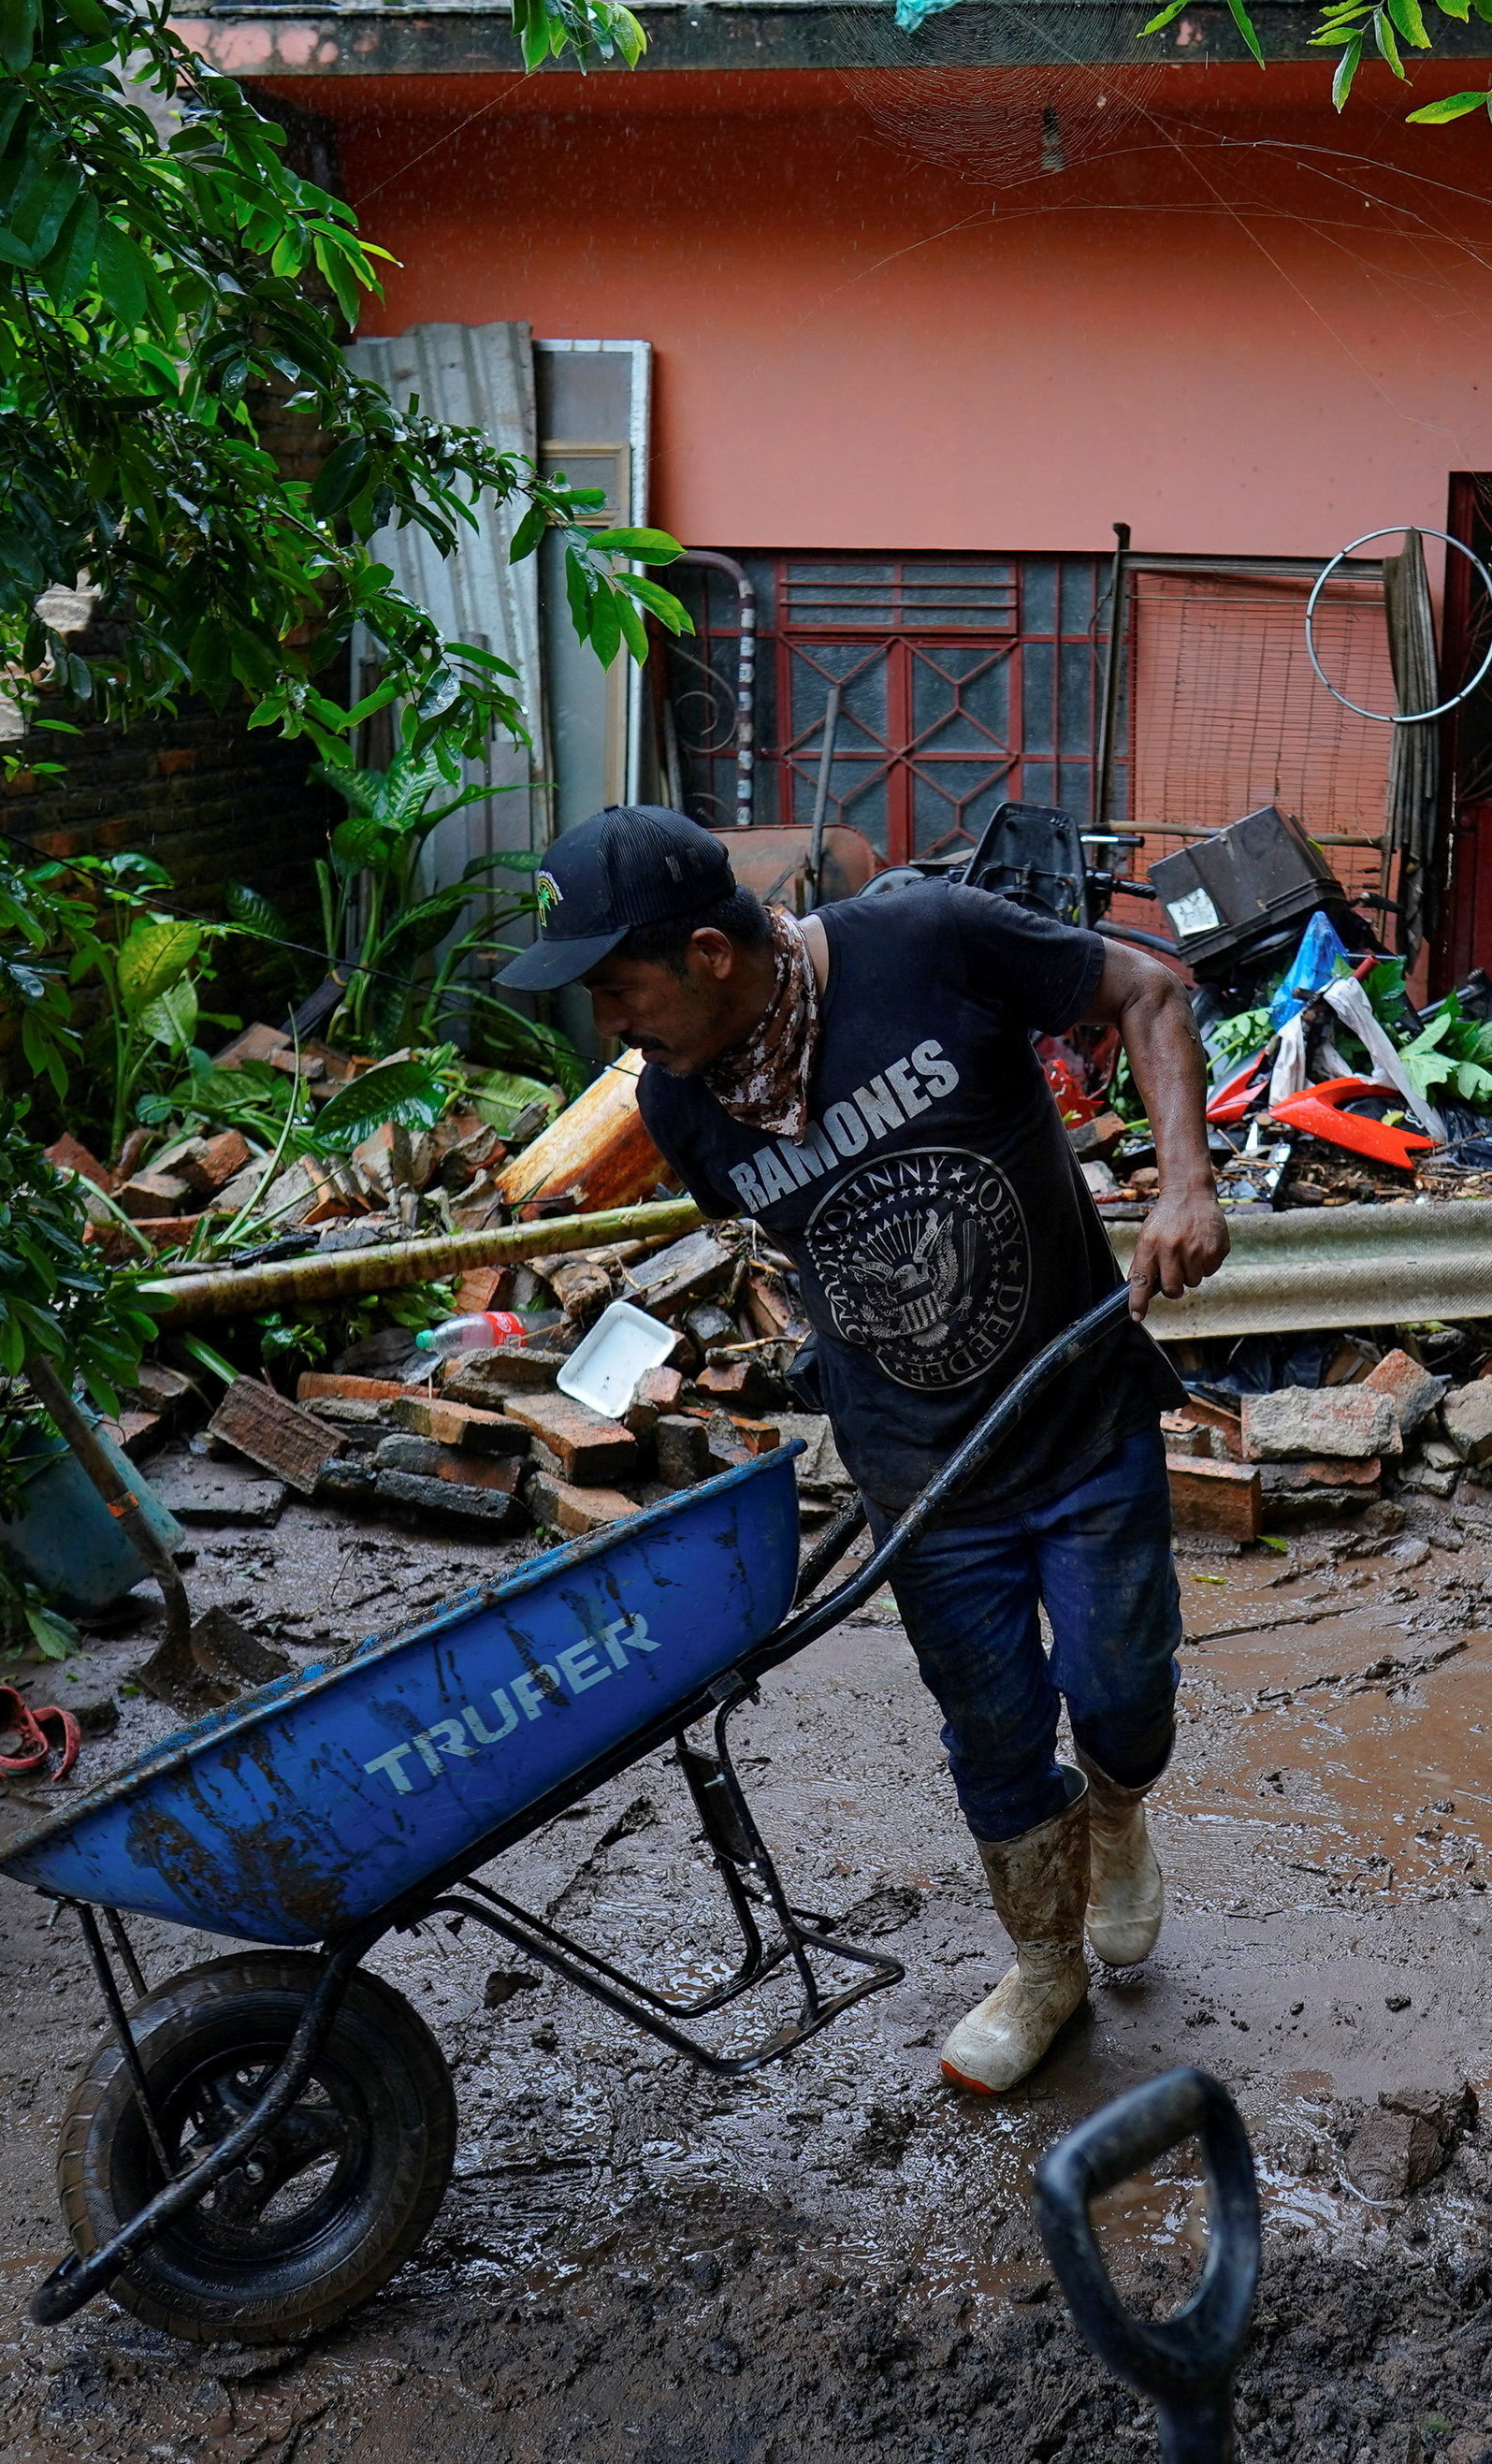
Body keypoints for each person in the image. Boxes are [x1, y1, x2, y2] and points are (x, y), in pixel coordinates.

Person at [506, 807, 1229, 2094]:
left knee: (1123, 1690)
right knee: (994, 1731)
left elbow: (1150, 990)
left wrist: (1185, 1184)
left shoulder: (926, 940)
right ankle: (1046, 1969)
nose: (612, 1020)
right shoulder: (681, 1106)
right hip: (922, 1476)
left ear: (710, 955)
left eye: (621, 985)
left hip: (1073, 1417)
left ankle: (1113, 1817)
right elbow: (804, 1250)